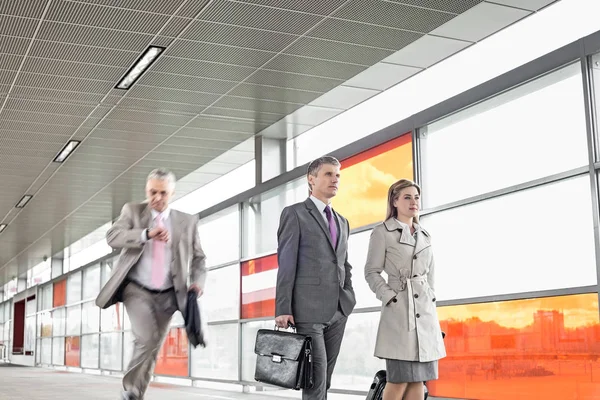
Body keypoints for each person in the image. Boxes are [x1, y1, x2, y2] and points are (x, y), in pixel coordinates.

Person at [95, 168, 207, 400]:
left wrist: (197, 282)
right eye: (152, 192)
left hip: (170, 295)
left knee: (153, 347)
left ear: (173, 193)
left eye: (163, 193)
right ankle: (129, 389)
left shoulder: (186, 221)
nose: (157, 198)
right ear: (146, 191)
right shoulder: (132, 211)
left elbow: (199, 258)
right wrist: (146, 234)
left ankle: (136, 395)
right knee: (146, 338)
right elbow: (113, 237)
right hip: (137, 290)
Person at [275, 156, 356, 400]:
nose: (335, 180)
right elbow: (286, 263)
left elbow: (343, 263)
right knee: (315, 379)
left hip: (338, 310)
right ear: (311, 179)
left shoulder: (342, 221)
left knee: (325, 379)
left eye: (338, 175)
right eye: (329, 174)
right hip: (308, 310)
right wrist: (283, 308)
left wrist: (349, 295)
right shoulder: (295, 214)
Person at [364, 179, 446, 400]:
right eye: (407, 197)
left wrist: (430, 296)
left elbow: (431, 274)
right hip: (399, 314)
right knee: (398, 380)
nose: (414, 202)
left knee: (418, 380)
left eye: (417, 197)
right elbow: (371, 271)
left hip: (424, 315)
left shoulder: (424, 235)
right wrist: (390, 297)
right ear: (395, 200)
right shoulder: (382, 232)